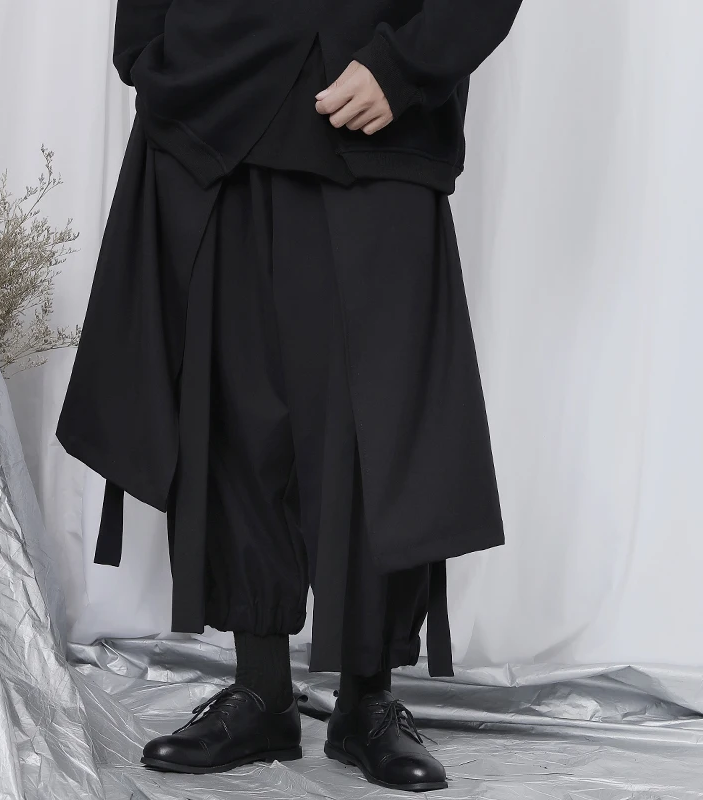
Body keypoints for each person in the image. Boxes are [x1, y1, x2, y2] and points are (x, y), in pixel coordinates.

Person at [57, 0, 523, 792]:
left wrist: (406, 65)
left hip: (371, 102)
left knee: (376, 422)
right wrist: (150, 53)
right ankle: (262, 692)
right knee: (233, 410)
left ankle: (368, 699)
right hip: (212, 101)